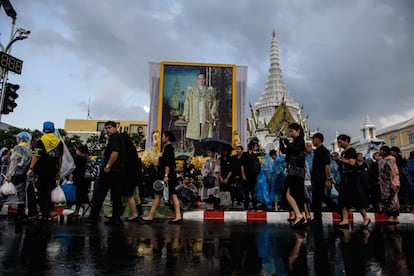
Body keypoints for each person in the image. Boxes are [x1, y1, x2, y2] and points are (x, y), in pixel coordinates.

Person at [86, 121, 126, 225]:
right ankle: (115, 218)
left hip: (111, 171)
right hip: (118, 171)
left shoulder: (116, 139)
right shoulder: (116, 138)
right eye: (106, 128)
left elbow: (115, 153)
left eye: (109, 128)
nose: (107, 130)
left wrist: (108, 166)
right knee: (116, 195)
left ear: (115, 128)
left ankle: (93, 217)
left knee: (100, 193)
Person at [141, 131, 182, 224]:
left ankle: (151, 216)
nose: (162, 138)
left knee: (161, 195)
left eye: (163, 136)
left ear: (167, 138)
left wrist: (166, 176)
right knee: (170, 195)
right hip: (167, 175)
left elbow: (168, 164)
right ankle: (177, 215)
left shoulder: (168, 148)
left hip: (166, 176)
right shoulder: (168, 148)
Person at [331, 134, 370, 229]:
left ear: (346, 141)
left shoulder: (351, 151)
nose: (339, 144)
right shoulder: (343, 152)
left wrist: (341, 159)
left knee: (357, 199)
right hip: (345, 177)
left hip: (352, 178)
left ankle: (366, 218)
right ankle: (345, 219)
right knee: (343, 199)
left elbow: (352, 162)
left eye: (340, 142)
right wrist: (338, 160)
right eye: (338, 142)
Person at [27, 121, 64, 221]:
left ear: (44, 129)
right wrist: (59, 171)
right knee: (49, 191)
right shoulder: (59, 142)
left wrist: (30, 168)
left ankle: (44, 214)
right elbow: (60, 159)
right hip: (53, 170)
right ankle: (48, 212)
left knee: (41, 192)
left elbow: (36, 155)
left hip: (41, 171)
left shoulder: (41, 141)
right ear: (53, 129)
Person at [309, 133, 341, 223]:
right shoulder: (317, 151)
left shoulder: (324, 151)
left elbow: (327, 166)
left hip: (321, 178)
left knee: (320, 197)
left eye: (314, 139)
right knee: (318, 197)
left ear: (318, 140)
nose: (312, 141)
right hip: (316, 177)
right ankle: (317, 216)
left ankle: (337, 210)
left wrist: (328, 179)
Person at [279, 123, 306, 227]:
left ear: (298, 131)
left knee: (288, 194)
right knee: (295, 194)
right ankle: (301, 216)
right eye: (289, 131)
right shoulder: (295, 142)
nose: (290, 133)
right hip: (293, 172)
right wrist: (281, 140)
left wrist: (285, 140)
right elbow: (284, 150)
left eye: (291, 131)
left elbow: (293, 149)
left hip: (296, 172)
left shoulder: (300, 140)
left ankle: (299, 215)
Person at [2, 132, 33, 220]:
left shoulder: (18, 148)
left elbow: (14, 162)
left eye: (18, 138)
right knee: (21, 194)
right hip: (24, 175)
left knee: (5, 192)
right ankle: (20, 214)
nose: (17, 139)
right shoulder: (29, 150)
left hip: (15, 173)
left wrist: (9, 174)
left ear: (21, 139)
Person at [182, 72, 218, 140]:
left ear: (205, 80)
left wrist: (212, 112)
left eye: (203, 78)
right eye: (199, 79)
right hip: (194, 116)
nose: (201, 80)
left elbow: (214, 102)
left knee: (205, 136)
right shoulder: (191, 90)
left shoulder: (209, 91)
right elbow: (187, 102)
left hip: (205, 115)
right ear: (197, 80)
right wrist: (186, 114)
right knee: (195, 137)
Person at [120, 132, 144, 222]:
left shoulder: (126, 149)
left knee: (128, 195)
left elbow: (126, 163)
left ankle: (134, 214)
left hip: (128, 175)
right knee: (132, 195)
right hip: (134, 175)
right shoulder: (132, 148)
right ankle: (136, 213)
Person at [379, 146, 400, 224]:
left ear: (384, 152)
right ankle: (394, 217)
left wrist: (394, 183)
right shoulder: (383, 160)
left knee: (392, 199)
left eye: (380, 150)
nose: (379, 152)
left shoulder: (389, 160)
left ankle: (393, 216)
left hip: (391, 182)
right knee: (389, 199)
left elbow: (392, 172)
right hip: (385, 183)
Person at [69, 144, 90, 217]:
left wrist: (71, 176)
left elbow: (74, 169)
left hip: (79, 179)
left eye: (77, 150)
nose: (76, 151)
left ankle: (84, 205)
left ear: (80, 151)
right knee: (81, 194)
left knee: (78, 195)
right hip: (85, 179)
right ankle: (77, 211)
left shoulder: (79, 158)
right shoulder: (87, 158)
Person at [241, 141, 260, 210]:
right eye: (255, 146)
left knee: (253, 191)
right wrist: (243, 174)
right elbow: (242, 165)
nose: (256, 148)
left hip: (254, 176)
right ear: (252, 147)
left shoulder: (255, 156)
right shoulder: (245, 154)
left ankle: (254, 205)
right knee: (246, 191)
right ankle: (246, 206)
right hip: (247, 175)